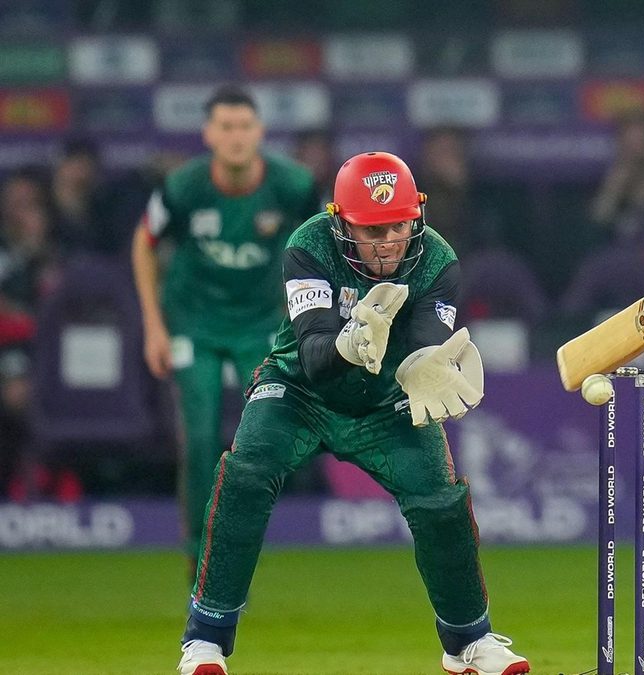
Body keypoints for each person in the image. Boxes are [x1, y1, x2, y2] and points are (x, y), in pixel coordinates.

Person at [175, 151, 529, 675]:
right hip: (298, 390)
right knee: (246, 474)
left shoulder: (438, 260)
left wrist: (425, 367)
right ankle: (205, 641)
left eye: (399, 226)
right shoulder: (309, 245)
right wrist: (349, 345)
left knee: (440, 500)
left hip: (385, 402)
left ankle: (469, 642)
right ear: (341, 222)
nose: (388, 242)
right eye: (372, 230)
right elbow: (315, 357)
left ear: (417, 215)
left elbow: (425, 346)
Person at [131, 85, 319, 574]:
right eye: (226, 127)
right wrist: (153, 326)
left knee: (262, 437)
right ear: (209, 134)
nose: (236, 136)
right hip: (193, 325)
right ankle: (200, 559)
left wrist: (315, 317)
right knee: (198, 438)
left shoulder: (294, 185)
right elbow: (144, 241)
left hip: (262, 324)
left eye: (244, 126)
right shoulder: (184, 187)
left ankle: (242, 543)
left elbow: (327, 242)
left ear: (260, 132)